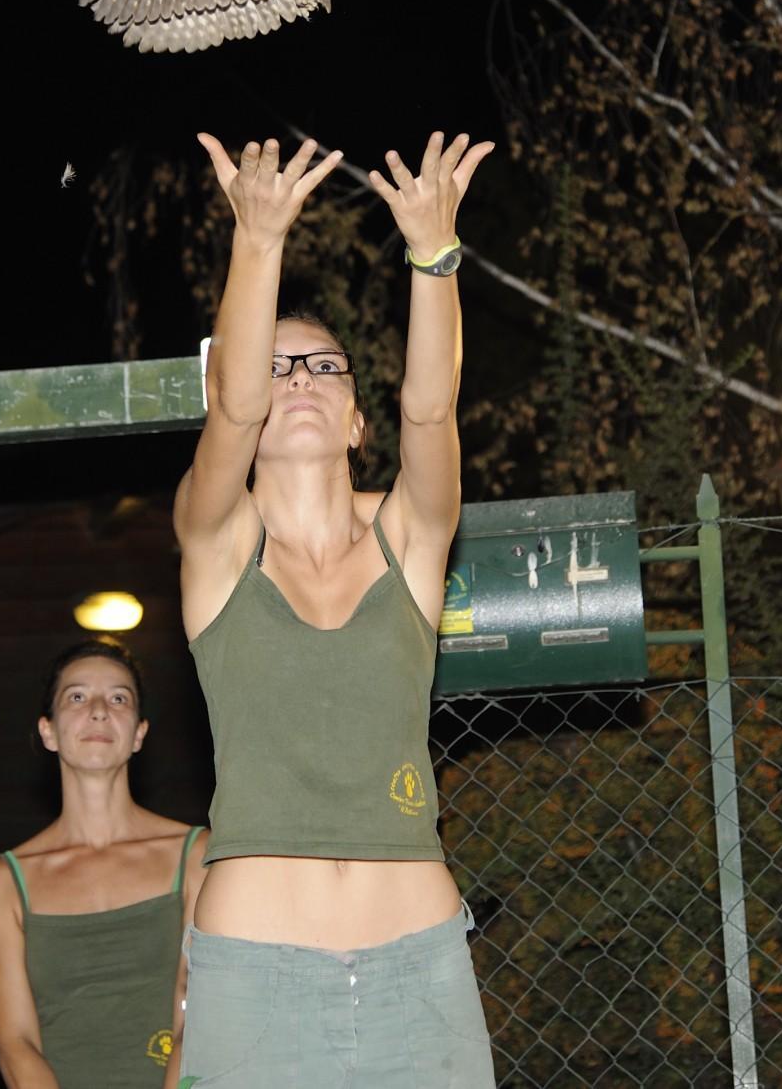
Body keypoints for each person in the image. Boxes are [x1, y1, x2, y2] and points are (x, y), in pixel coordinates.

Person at [170, 131, 495, 1087]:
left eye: (324, 367)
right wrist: (258, 238)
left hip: (420, 965)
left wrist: (433, 256)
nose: (300, 381)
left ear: (357, 417)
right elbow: (229, 410)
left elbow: (431, 413)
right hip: (254, 976)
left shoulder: (411, 543)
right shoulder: (215, 545)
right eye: (278, 369)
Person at [0, 641, 208, 1086]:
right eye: (77, 697)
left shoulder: (196, 855)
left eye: (119, 698)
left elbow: (194, 1017)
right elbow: (15, 1044)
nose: (99, 710)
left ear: (139, 733)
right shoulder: (3, 881)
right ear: (49, 731)